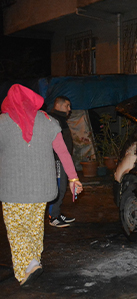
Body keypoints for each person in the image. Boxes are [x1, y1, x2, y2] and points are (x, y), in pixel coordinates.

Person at [0, 84, 83, 286]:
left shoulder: (2, 123)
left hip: (13, 190)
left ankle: (25, 270)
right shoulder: (48, 121)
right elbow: (63, 152)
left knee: (17, 230)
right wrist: (74, 178)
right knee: (35, 227)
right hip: (41, 188)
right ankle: (34, 260)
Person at [46, 96, 76, 228]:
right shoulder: (53, 119)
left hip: (62, 159)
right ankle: (53, 217)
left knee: (62, 187)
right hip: (57, 160)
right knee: (59, 187)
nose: (69, 109)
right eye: (67, 106)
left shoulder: (60, 119)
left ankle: (56, 213)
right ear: (58, 105)